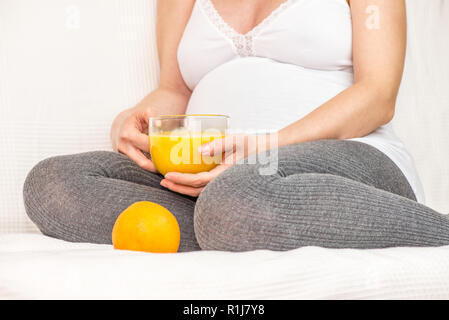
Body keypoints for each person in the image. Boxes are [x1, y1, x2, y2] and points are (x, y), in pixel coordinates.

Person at [23, 0, 449, 252]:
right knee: (54, 181)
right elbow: (174, 90)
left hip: (350, 158)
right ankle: (234, 224)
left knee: (239, 194)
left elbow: (378, 95)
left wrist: (268, 147)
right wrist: (128, 122)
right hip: (213, 176)